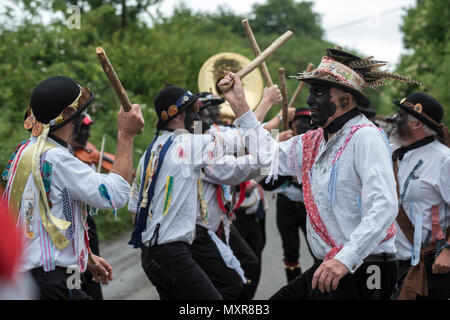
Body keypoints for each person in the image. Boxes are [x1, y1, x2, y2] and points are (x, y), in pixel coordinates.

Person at [220, 48, 428, 300]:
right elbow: (269, 156)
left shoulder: (366, 136)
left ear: (345, 100)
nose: (309, 100)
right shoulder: (314, 140)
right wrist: (240, 104)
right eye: (311, 92)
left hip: (367, 267)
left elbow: (384, 207)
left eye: (319, 93)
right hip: (329, 265)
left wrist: (344, 259)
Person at [2, 76, 144, 300]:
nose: (84, 117)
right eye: (82, 112)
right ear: (72, 118)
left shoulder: (23, 152)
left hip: (43, 278)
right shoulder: (56, 158)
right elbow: (114, 195)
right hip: (51, 281)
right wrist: (125, 135)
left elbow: (47, 217)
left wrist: (85, 257)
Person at [128, 85, 275, 300]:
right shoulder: (189, 144)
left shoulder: (149, 152)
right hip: (173, 254)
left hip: (150, 256)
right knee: (227, 289)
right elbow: (240, 141)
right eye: (192, 111)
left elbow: (134, 211)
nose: (197, 117)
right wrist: (270, 153)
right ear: (178, 115)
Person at [389, 92, 450, 300]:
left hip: (432, 266)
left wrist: (449, 251)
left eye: (400, 115)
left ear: (415, 123)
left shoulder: (444, 160)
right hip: (394, 263)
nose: (394, 120)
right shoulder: (395, 154)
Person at [260, 107, 314, 282]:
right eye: (301, 125)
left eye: (309, 125)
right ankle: (295, 288)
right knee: (290, 252)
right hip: (287, 206)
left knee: (318, 249)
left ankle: (318, 290)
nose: (305, 129)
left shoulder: (319, 146)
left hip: (311, 208)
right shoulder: (284, 145)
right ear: (292, 127)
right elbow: (267, 183)